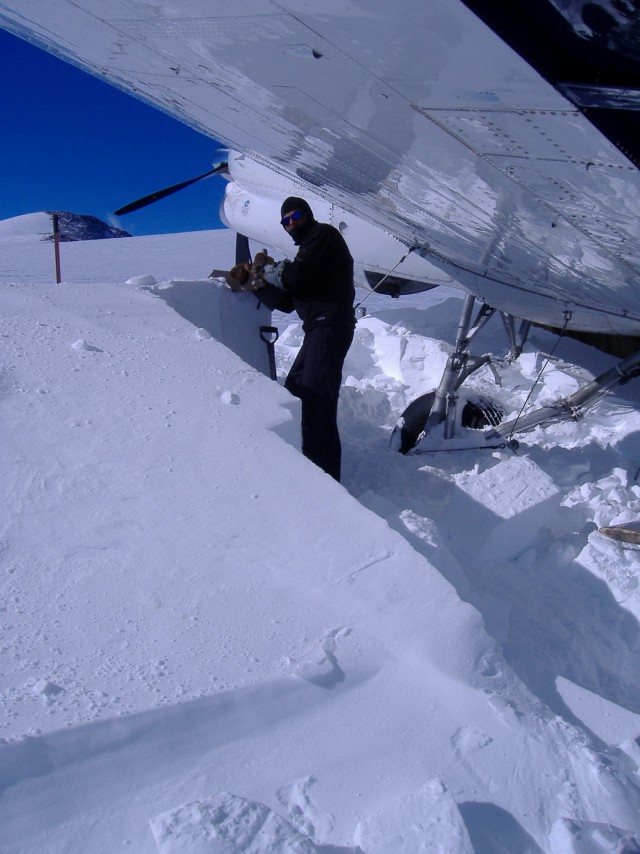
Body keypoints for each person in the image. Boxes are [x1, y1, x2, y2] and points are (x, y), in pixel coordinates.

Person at [254, 196, 355, 482]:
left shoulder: (322, 236)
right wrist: (256, 285)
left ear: (307, 215)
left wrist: (265, 271)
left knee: (317, 399)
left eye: (295, 216)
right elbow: (287, 301)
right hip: (318, 329)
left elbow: (294, 277)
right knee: (297, 388)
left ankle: (326, 481)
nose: (290, 224)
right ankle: (309, 467)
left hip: (330, 325)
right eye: (285, 221)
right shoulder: (309, 255)